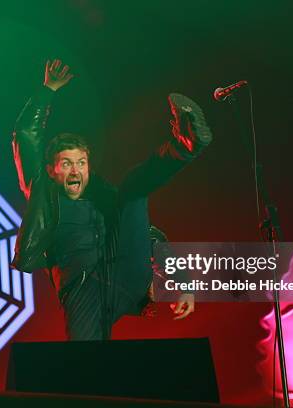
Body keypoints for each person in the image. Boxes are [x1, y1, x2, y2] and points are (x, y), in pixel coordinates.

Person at [11, 59, 212, 340]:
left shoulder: (102, 196)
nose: (75, 170)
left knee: (132, 189)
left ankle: (185, 144)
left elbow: (149, 236)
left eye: (81, 163)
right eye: (66, 164)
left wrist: (182, 284)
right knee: (87, 361)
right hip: (81, 287)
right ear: (51, 171)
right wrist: (48, 90)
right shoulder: (42, 192)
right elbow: (25, 136)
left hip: (123, 273)